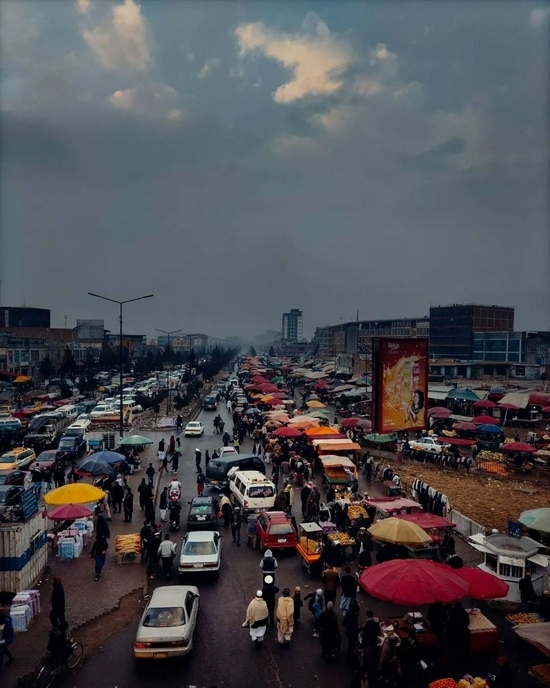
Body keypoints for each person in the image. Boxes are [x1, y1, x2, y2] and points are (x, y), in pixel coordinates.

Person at [361, 610, 382, 676]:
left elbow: (364, 637)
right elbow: (379, 633)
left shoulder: (367, 625)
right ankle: (372, 670)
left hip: (367, 644)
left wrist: (362, 646)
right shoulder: (376, 624)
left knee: (366, 658)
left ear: (367, 616)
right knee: (372, 657)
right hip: (373, 643)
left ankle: (365, 670)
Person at [343, 600, 360, 667]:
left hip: (348, 633)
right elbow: (354, 629)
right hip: (352, 635)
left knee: (350, 647)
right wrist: (361, 628)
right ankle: (349, 660)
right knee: (351, 647)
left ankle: (349, 658)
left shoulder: (348, 614)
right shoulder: (353, 619)